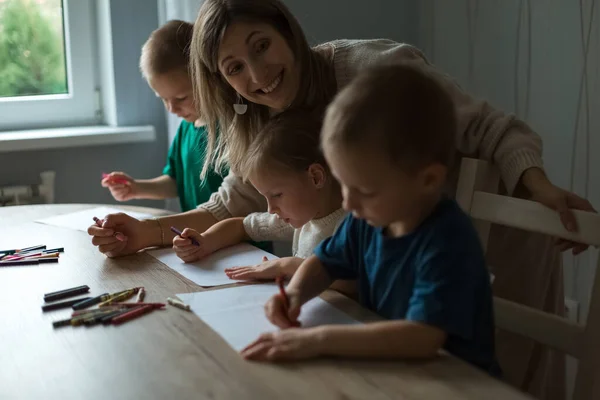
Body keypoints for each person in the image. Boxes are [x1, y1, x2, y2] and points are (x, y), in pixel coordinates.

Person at [88, 1, 595, 396]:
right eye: (234, 68)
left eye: (262, 46)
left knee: (517, 379)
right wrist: (148, 232)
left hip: (491, 249)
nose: (257, 76)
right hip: (390, 278)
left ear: (286, 30)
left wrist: (537, 184)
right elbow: (232, 206)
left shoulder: (372, 70)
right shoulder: (262, 123)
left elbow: (488, 128)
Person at [241, 64, 499, 376]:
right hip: (393, 370)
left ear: (428, 180)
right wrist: (295, 294)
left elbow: (421, 338)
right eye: (343, 183)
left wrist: (318, 339)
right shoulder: (366, 219)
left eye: (364, 189)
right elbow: (323, 264)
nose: (348, 202)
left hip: (457, 382)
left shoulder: (449, 241)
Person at [173, 111, 352, 292]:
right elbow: (241, 227)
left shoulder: (350, 225)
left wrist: (286, 266)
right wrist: (205, 242)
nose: (271, 208)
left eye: (277, 195)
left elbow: (351, 283)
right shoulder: (304, 218)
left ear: (315, 177)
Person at [101, 20, 224, 213]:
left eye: (181, 98)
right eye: (163, 99)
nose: (171, 108)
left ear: (210, 80)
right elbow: (175, 182)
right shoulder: (186, 129)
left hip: (242, 242)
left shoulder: (232, 129)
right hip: (200, 240)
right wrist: (135, 188)